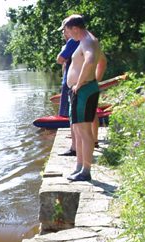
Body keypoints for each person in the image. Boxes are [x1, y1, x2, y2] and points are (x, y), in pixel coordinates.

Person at [61, 14, 105, 182]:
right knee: (79, 131)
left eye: (66, 30)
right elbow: (103, 62)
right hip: (84, 89)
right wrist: (94, 81)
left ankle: (86, 171)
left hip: (83, 90)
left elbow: (91, 60)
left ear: (75, 28)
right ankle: (79, 167)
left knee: (84, 133)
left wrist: (79, 84)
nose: (66, 33)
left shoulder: (87, 41)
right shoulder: (88, 40)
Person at [56, 27, 80, 156]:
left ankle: (74, 147)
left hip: (71, 84)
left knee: (72, 116)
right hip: (77, 82)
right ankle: (79, 143)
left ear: (71, 29)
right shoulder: (87, 40)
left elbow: (60, 59)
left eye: (64, 30)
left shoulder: (72, 42)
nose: (63, 33)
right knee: (74, 115)